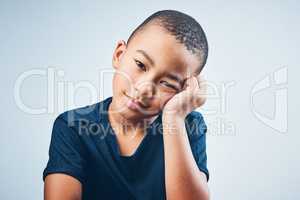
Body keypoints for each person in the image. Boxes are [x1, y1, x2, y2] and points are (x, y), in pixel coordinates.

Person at [43, 9, 210, 200]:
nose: (144, 89)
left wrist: (174, 118)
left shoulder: (187, 126)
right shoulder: (73, 126)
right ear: (119, 54)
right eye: (140, 65)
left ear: (184, 90)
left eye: (167, 83)